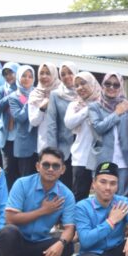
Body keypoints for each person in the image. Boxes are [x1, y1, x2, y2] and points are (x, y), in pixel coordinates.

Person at [0, 147, 76, 256]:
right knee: (7, 232)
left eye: (55, 165)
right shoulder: (22, 184)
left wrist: (61, 243)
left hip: (40, 245)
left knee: (67, 246)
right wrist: (43, 211)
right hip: (18, 243)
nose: (50, 169)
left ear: (63, 169)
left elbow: (70, 229)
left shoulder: (67, 195)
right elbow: (10, 218)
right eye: (46, 164)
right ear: (38, 166)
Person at [88, 73, 128, 198]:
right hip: (103, 158)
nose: (111, 87)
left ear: (121, 87)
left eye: (116, 85)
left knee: (123, 199)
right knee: (103, 197)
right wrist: (117, 113)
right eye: (108, 84)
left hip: (125, 159)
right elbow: (98, 128)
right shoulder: (95, 106)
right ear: (102, 85)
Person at [64, 71, 100, 201]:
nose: (80, 88)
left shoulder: (104, 103)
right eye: (77, 85)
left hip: (100, 157)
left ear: (92, 83)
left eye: (83, 83)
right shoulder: (74, 105)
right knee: (79, 195)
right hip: (81, 157)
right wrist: (88, 109)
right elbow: (69, 123)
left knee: (102, 195)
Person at [44, 61, 78, 189]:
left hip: (84, 147)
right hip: (65, 148)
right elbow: (51, 125)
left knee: (81, 187)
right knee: (64, 186)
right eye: (63, 74)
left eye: (70, 73)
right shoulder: (56, 95)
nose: (67, 76)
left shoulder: (85, 91)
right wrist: (53, 153)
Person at [8, 65, 39, 177]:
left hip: (39, 142)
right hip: (24, 143)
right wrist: (30, 100)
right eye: (24, 76)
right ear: (18, 77)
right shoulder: (14, 96)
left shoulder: (38, 92)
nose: (27, 79)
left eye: (30, 76)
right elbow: (20, 118)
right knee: (26, 177)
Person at [0, 62, 20, 187]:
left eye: (11, 72)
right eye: (5, 74)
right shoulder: (1, 89)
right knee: (8, 170)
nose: (8, 76)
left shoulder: (25, 88)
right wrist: (11, 96)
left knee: (21, 170)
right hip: (6, 136)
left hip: (21, 137)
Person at [28, 62, 60, 153]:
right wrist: (42, 108)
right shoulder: (34, 94)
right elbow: (33, 122)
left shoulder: (62, 92)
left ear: (54, 75)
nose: (44, 76)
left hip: (63, 144)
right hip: (44, 143)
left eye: (48, 73)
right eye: (41, 73)